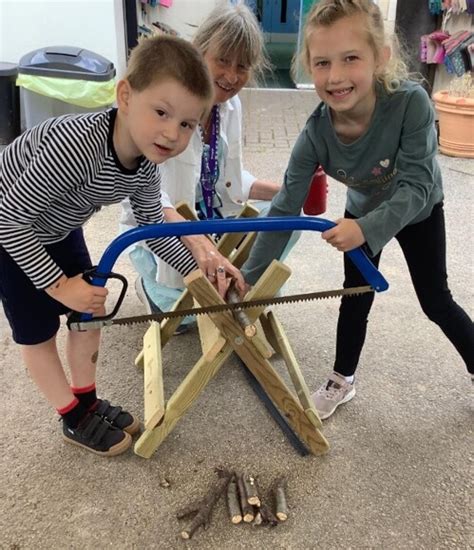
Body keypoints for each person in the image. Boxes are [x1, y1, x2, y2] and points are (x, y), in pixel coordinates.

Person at [0, 35, 245, 457]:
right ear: (126, 96)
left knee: (90, 310)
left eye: (187, 123)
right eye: (162, 112)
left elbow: (151, 226)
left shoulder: (147, 166)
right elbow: (10, 221)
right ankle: (71, 416)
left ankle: (87, 400)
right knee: (37, 333)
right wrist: (59, 285)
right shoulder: (75, 147)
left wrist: (197, 270)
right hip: (10, 231)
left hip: (59, 226)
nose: (172, 133)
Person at [241, 0, 474, 420]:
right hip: (362, 209)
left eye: (351, 58)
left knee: (436, 301)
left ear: (380, 57)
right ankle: (342, 378)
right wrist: (249, 278)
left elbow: (418, 184)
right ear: (307, 67)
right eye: (322, 63)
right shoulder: (314, 133)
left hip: (419, 211)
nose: (336, 76)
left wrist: (363, 229)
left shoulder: (411, 103)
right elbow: (283, 210)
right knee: (355, 297)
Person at [121, 2, 297, 329]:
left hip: (208, 224)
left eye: (242, 66)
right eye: (222, 60)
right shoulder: (168, 104)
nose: (231, 76)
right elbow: (146, 201)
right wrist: (198, 241)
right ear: (199, 52)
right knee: (188, 321)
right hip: (159, 232)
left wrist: (287, 193)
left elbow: (227, 181)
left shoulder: (231, 106)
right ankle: (153, 288)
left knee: (288, 215)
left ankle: (239, 291)